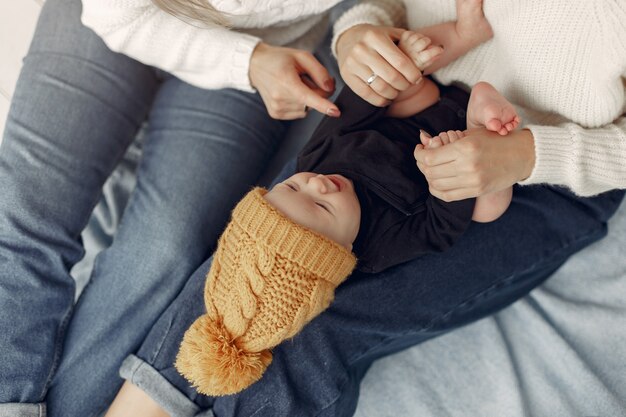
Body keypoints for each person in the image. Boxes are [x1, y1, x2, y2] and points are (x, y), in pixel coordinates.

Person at [0, 0, 370, 415]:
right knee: (24, 216)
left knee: (166, 251)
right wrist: (247, 61)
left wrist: (352, 31)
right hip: (113, 18)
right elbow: (112, 16)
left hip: (260, 49)